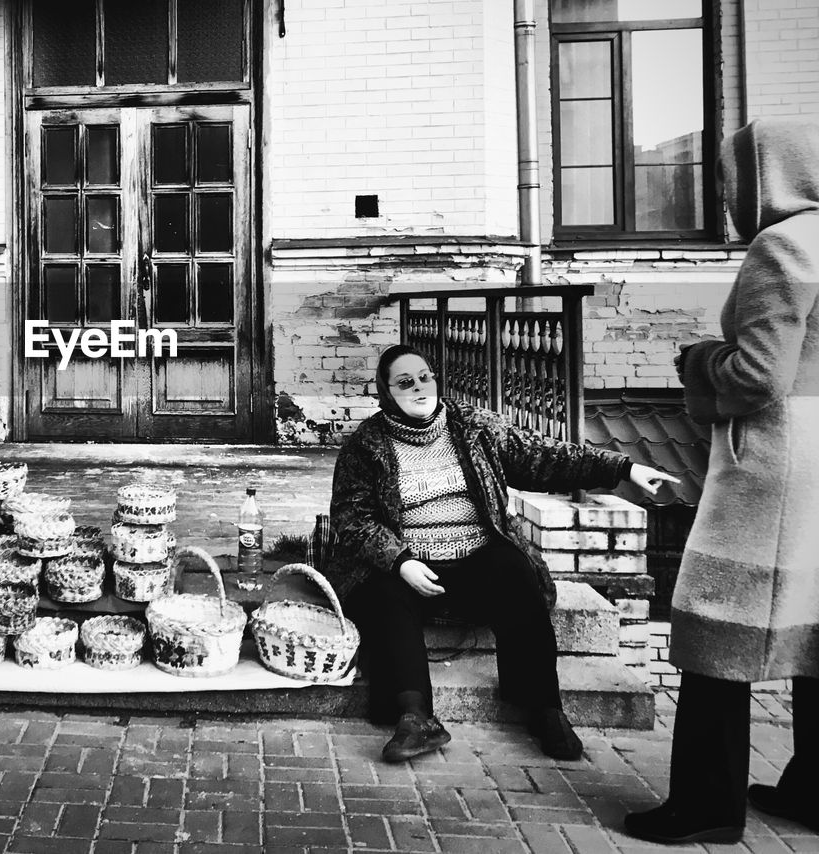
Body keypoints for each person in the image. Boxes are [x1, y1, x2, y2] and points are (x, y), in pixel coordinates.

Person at [326, 343, 677, 764]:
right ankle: (415, 716)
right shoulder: (366, 445)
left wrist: (624, 468)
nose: (419, 388)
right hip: (409, 566)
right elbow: (352, 517)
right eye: (405, 382)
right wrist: (400, 561)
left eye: (425, 377)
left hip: (474, 555)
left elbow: (544, 456)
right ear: (385, 392)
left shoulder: (473, 427)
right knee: (382, 595)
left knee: (515, 571)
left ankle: (545, 709)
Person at [624, 119, 819, 845]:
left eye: (731, 177)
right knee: (814, 628)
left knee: (714, 630)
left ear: (764, 173)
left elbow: (758, 377)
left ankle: (706, 805)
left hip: (774, 469)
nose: (727, 195)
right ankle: (812, 790)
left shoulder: (782, 247)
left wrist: (700, 360)